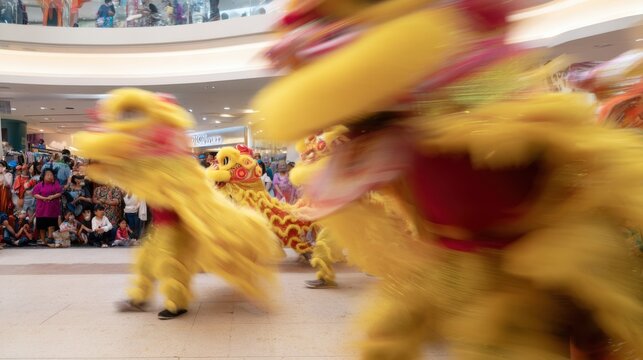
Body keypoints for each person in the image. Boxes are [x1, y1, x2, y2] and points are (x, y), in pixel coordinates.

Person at [32, 168, 63, 247]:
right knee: (42, 225)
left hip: (52, 208)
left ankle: (50, 238)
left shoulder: (55, 183)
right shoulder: (40, 185)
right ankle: (43, 240)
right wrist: (43, 198)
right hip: (42, 208)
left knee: (51, 223)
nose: (50, 176)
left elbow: (60, 192)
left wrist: (52, 196)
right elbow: (35, 193)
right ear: (43, 176)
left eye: (51, 175)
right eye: (48, 175)